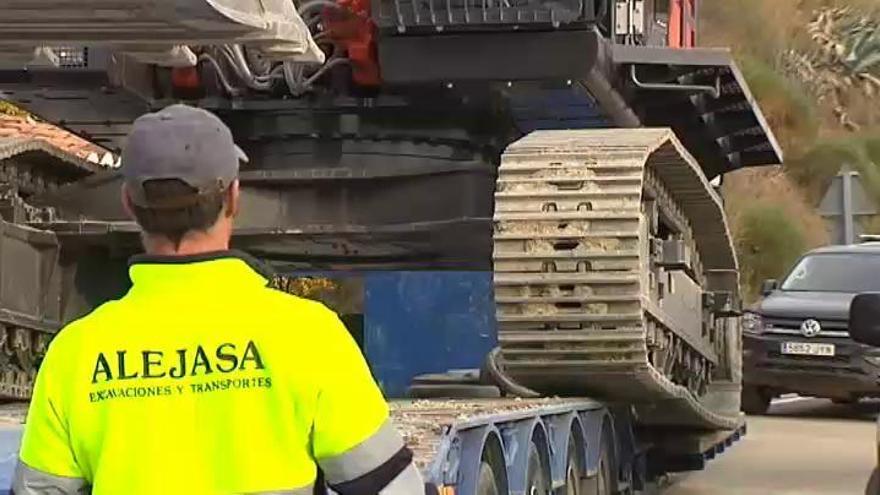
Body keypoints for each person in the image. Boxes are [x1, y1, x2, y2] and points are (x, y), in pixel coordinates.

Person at [13, 104, 427, 494]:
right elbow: (392, 487)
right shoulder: (307, 336)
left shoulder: (75, 354)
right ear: (233, 197)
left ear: (128, 204)